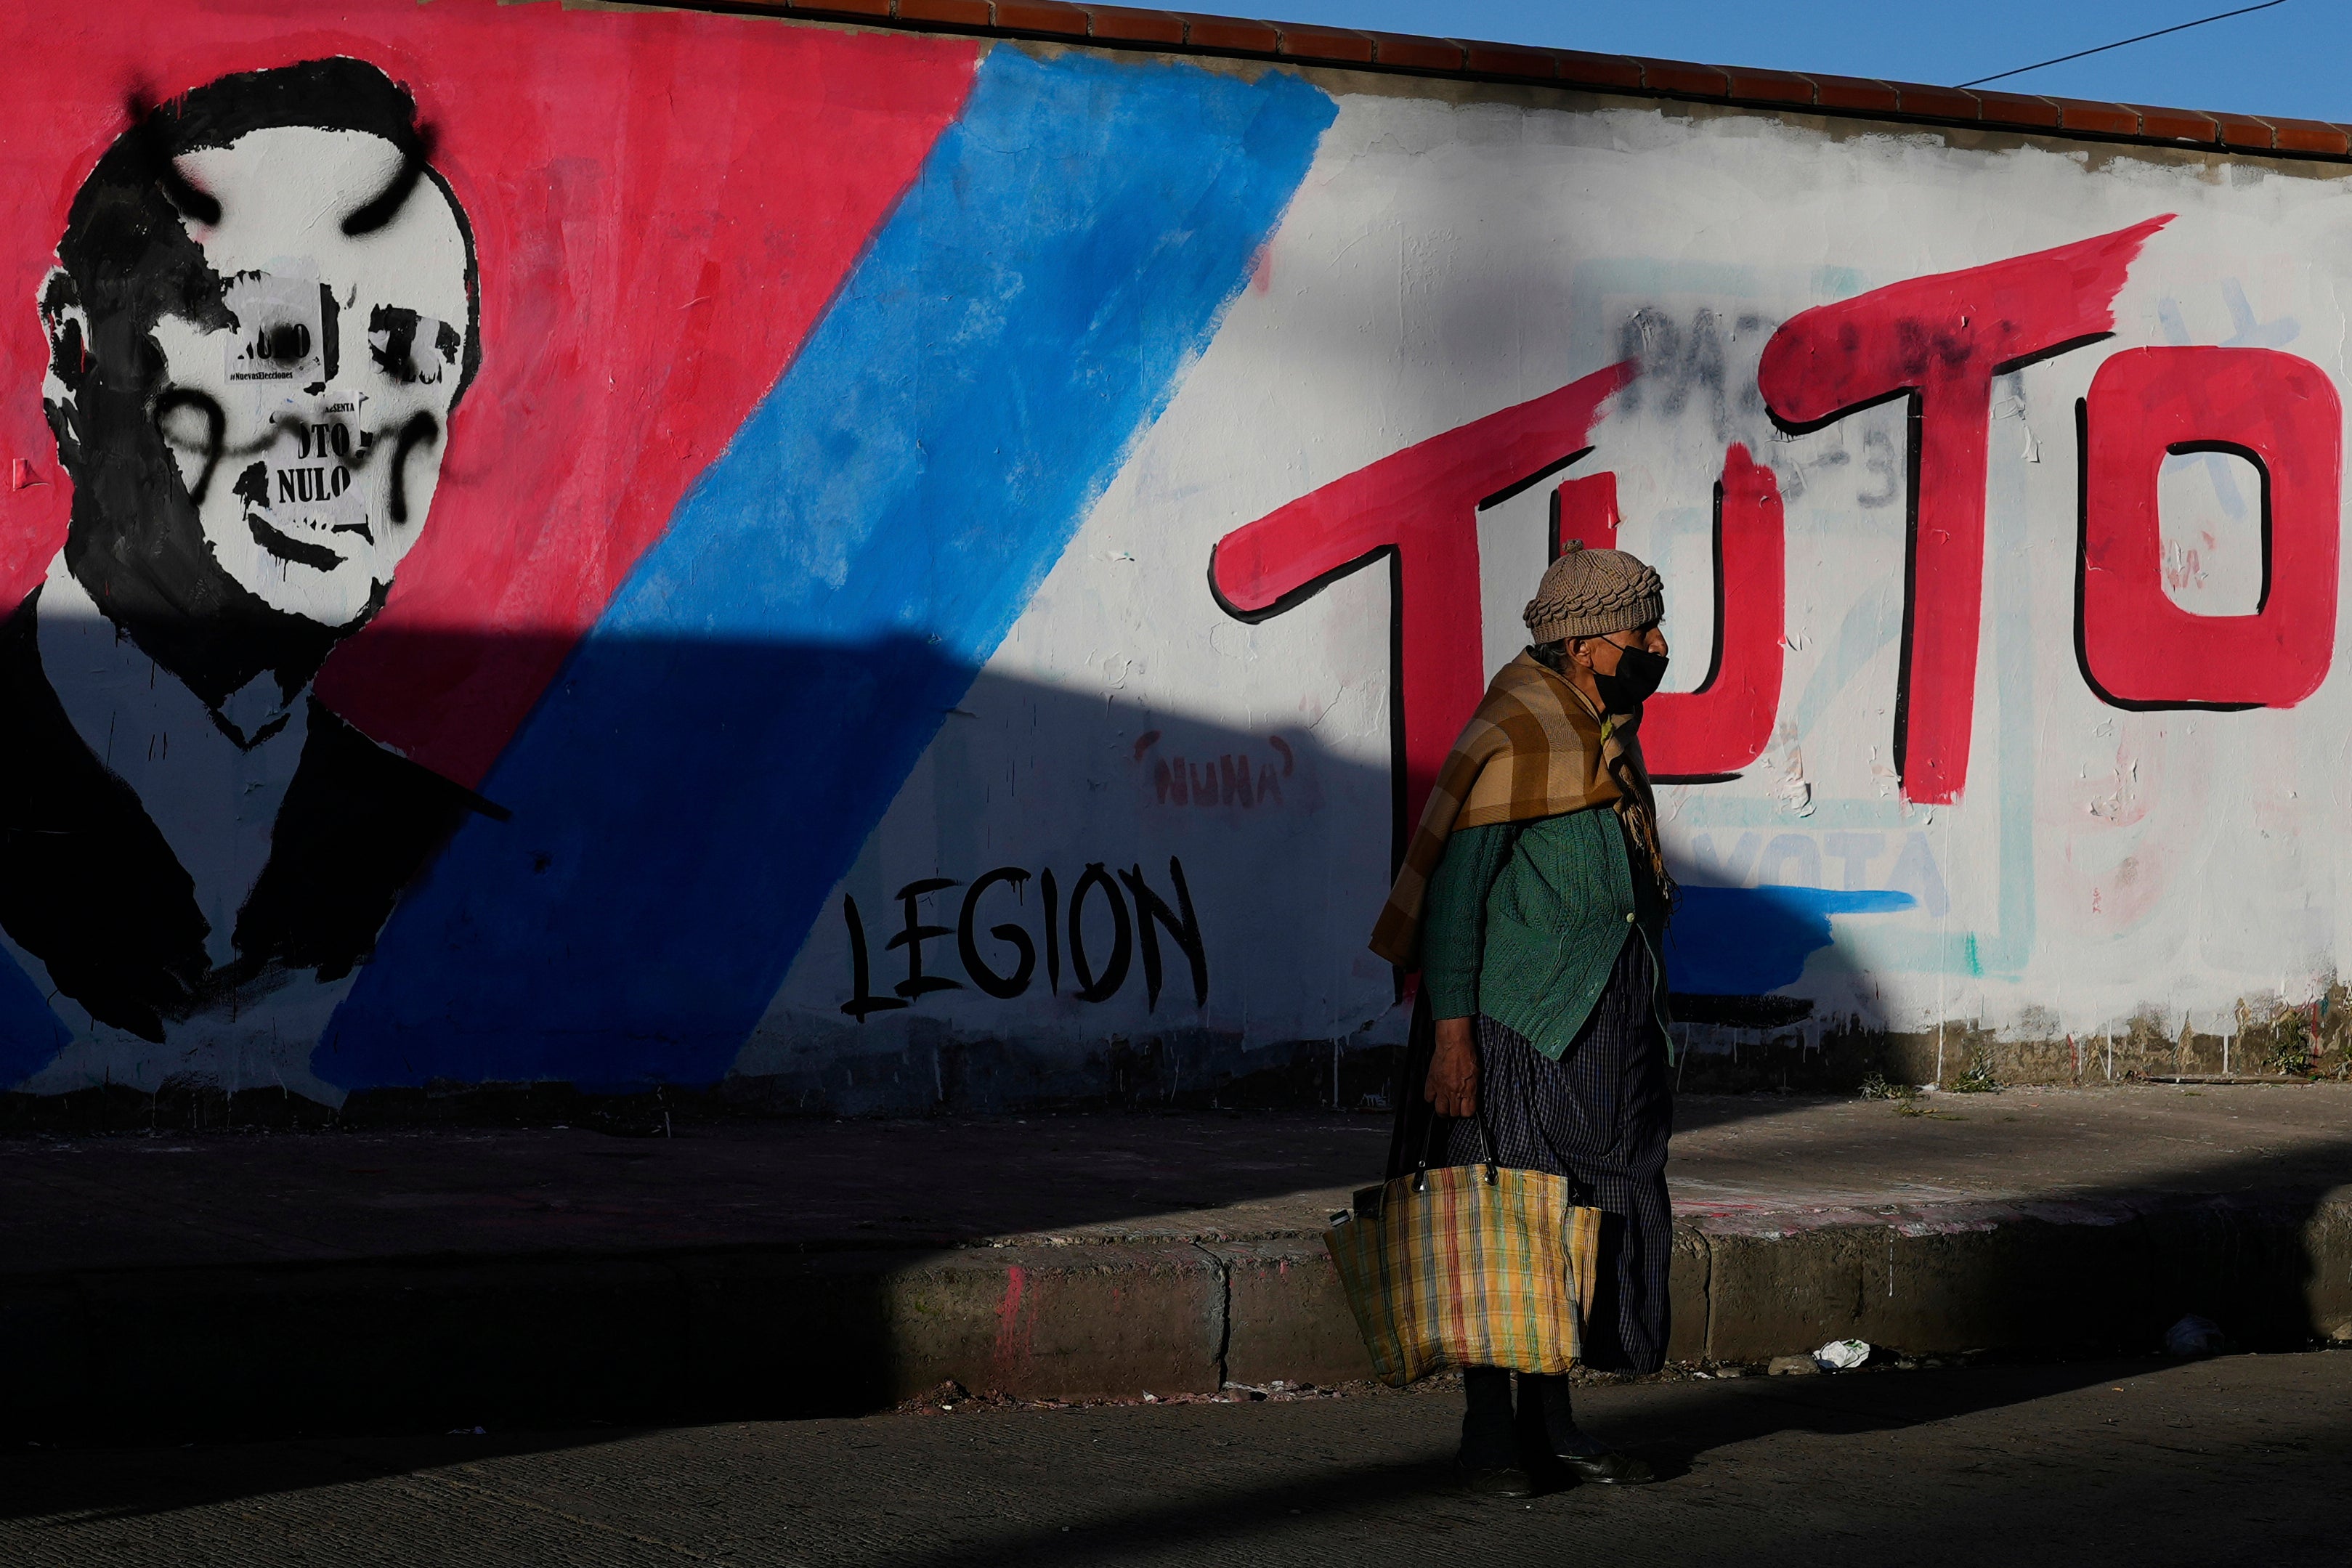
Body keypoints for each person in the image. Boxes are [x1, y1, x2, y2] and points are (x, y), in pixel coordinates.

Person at [2, 59, 492, 1044]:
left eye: (410, 354)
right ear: (76, 347)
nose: (345, 421)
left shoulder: (443, 855)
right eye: (273, 331)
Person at [1371, 541, 1676, 1496]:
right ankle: (1488, 1436)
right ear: (1586, 644)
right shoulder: (1517, 729)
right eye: (1640, 631)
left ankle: (1554, 1428)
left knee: (1580, 1220)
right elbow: (1455, 902)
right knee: (1501, 1220)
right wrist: (1452, 1037)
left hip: (1605, 1023)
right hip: (1516, 1025)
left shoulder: (1600, 731)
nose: (1656, 646)